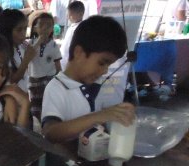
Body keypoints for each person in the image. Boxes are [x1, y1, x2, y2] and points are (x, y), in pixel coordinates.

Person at [41, 15, 135, 143]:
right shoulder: (57, 88)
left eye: (109, 65)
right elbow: (50, 132)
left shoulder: (96, 84)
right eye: (102, 63)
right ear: (79, 53)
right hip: (66, 160)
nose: (105, 70)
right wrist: (97, 116)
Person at [27, 12, 61, 126]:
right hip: (34, 80)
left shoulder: (54, 45)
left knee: (47, 106)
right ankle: (41, 124)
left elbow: (58, 67)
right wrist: (39, 41)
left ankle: (46, 126)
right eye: (41, 25)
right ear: (35, 28)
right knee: (35, 108)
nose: (45, 28)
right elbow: (28, 56)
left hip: (48, 80)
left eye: (49, 25)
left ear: (52, 28)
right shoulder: (31, 43)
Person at [0, 9, 32, 93]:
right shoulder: (2, 51)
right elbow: (12, 80)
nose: (23, 34)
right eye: (19, 30)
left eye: (25, 29)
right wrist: (26, 60)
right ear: (7, 31)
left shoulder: (20, 46)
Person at [60, 1, 84, 70]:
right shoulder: (71, 26)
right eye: (68, 15)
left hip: (69, 63)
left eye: (71, 15)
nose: (68, 17)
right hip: (63, 62)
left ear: (80, 14)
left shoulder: (80, 29)